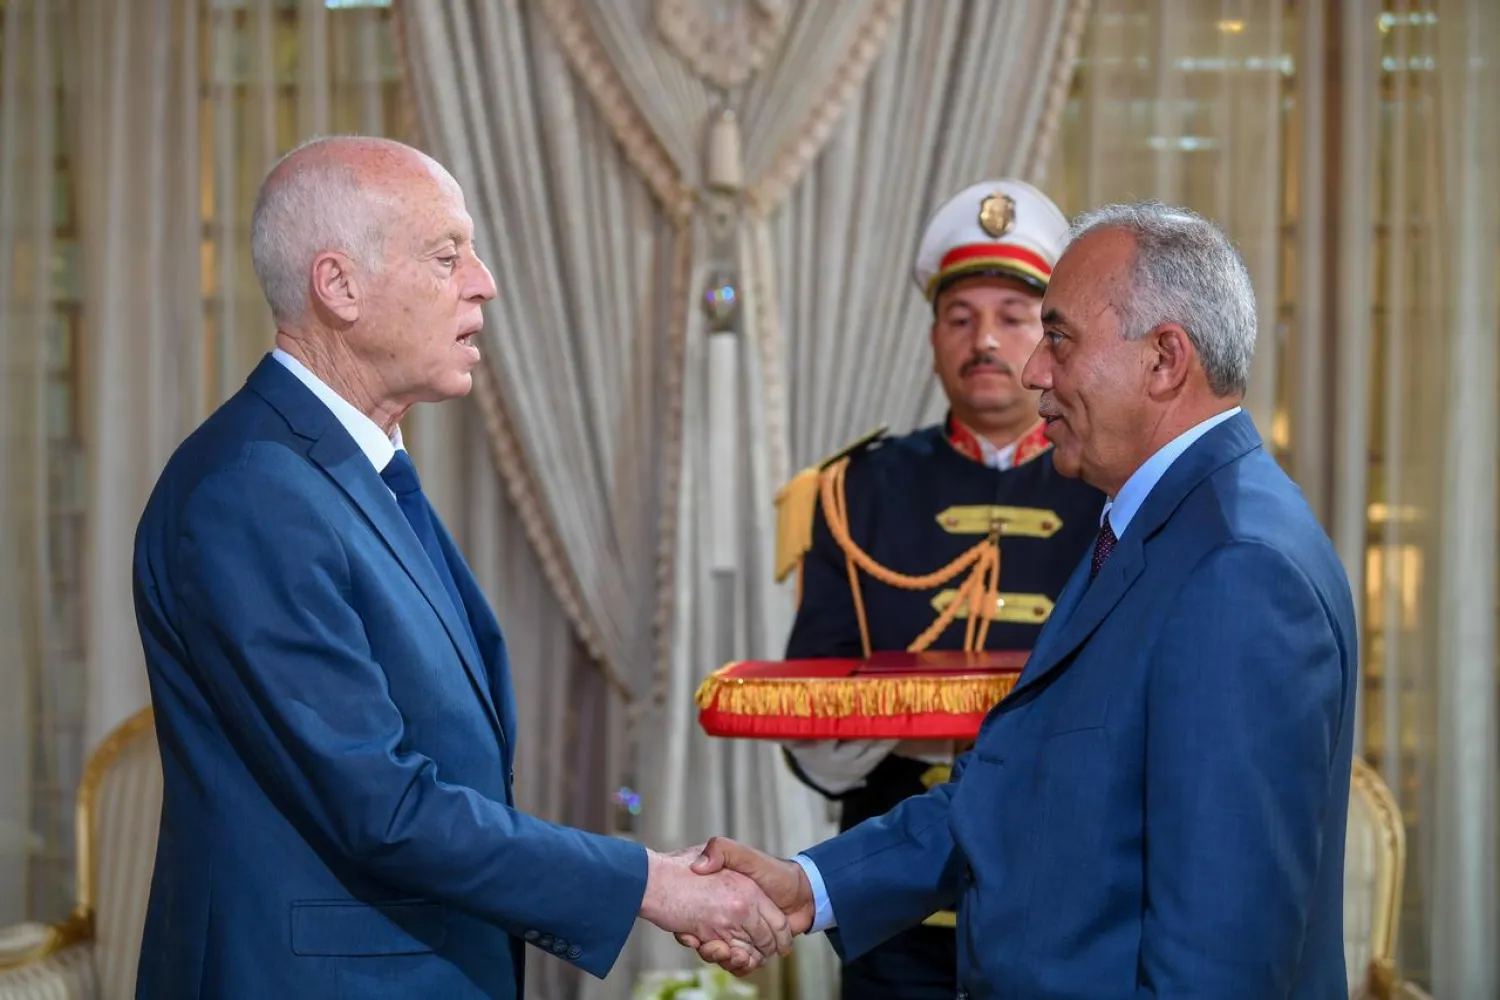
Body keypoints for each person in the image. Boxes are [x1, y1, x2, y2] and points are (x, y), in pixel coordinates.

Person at [130, 136, 789, 1000]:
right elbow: (384, 807)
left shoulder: (343, 468)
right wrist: (651, 884)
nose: (484, 281)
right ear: (339, 287)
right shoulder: (253, 490)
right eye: (448, 255)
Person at [685, 200, 1360, 998]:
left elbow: (1221, 957)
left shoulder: (1238, 568)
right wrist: (811, 886)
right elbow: (1021, 782)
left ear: (1164, 360)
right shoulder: (1153, 523)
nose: (1033, 367)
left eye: (1059, 337)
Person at [773, 179, 1105, 999]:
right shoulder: (855, 489)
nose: (984, 340)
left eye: (1013, 317)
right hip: (890, 921)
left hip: (1069, 910)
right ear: (931, 339)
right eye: (960, 318)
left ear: (1052, 340)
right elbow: (809, 695)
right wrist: (891, 727)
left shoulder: (1113, 491)